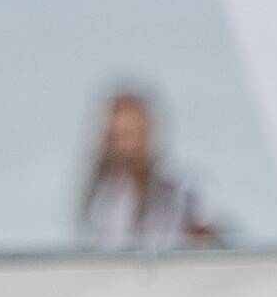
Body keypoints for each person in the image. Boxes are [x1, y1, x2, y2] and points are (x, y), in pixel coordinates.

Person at [76, 81, 219, 246]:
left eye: (134, 135)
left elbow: (207, 240)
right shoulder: (102, 198)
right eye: (119, 136)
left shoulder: (181, 193)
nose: (128, 147)